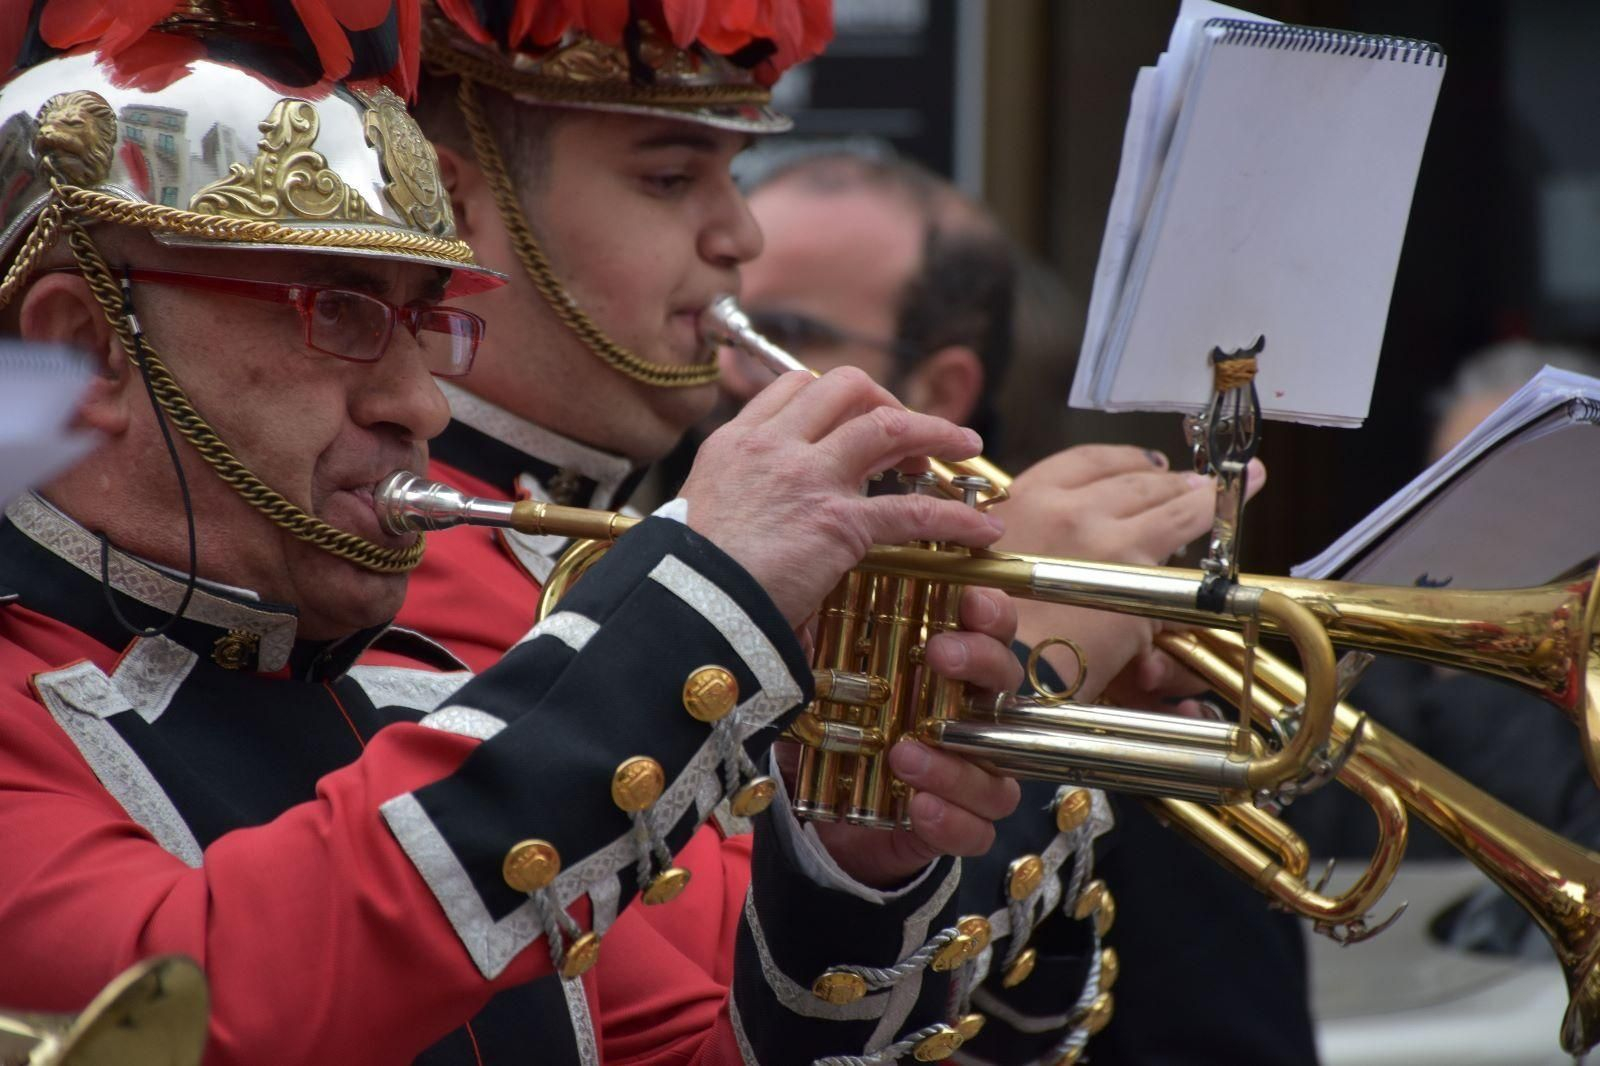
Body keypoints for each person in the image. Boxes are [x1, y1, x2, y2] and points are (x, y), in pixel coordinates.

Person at [0, 5, 1029, 1065]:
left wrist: (841, 872)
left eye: (423, 320)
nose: (425, 406)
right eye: (341, 312)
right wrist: (695, 602)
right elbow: (203, 1005)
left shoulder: (401, 688)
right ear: (85, 348)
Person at [396, 5, 1272, 1063]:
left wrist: (1021, 722)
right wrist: (1037, 662)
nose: (741, 235)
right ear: (450, 201)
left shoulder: (627, 529)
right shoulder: (408, 567)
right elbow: (759, 1026)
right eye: (670, 178)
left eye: (729, 174)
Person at [729, 145, 1319, 1065]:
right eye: (727, 319)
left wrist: (1035, 679)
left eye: (784, 329)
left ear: (939, 390)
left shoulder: (1105, 632)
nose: (731, 362)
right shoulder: (698, 554)